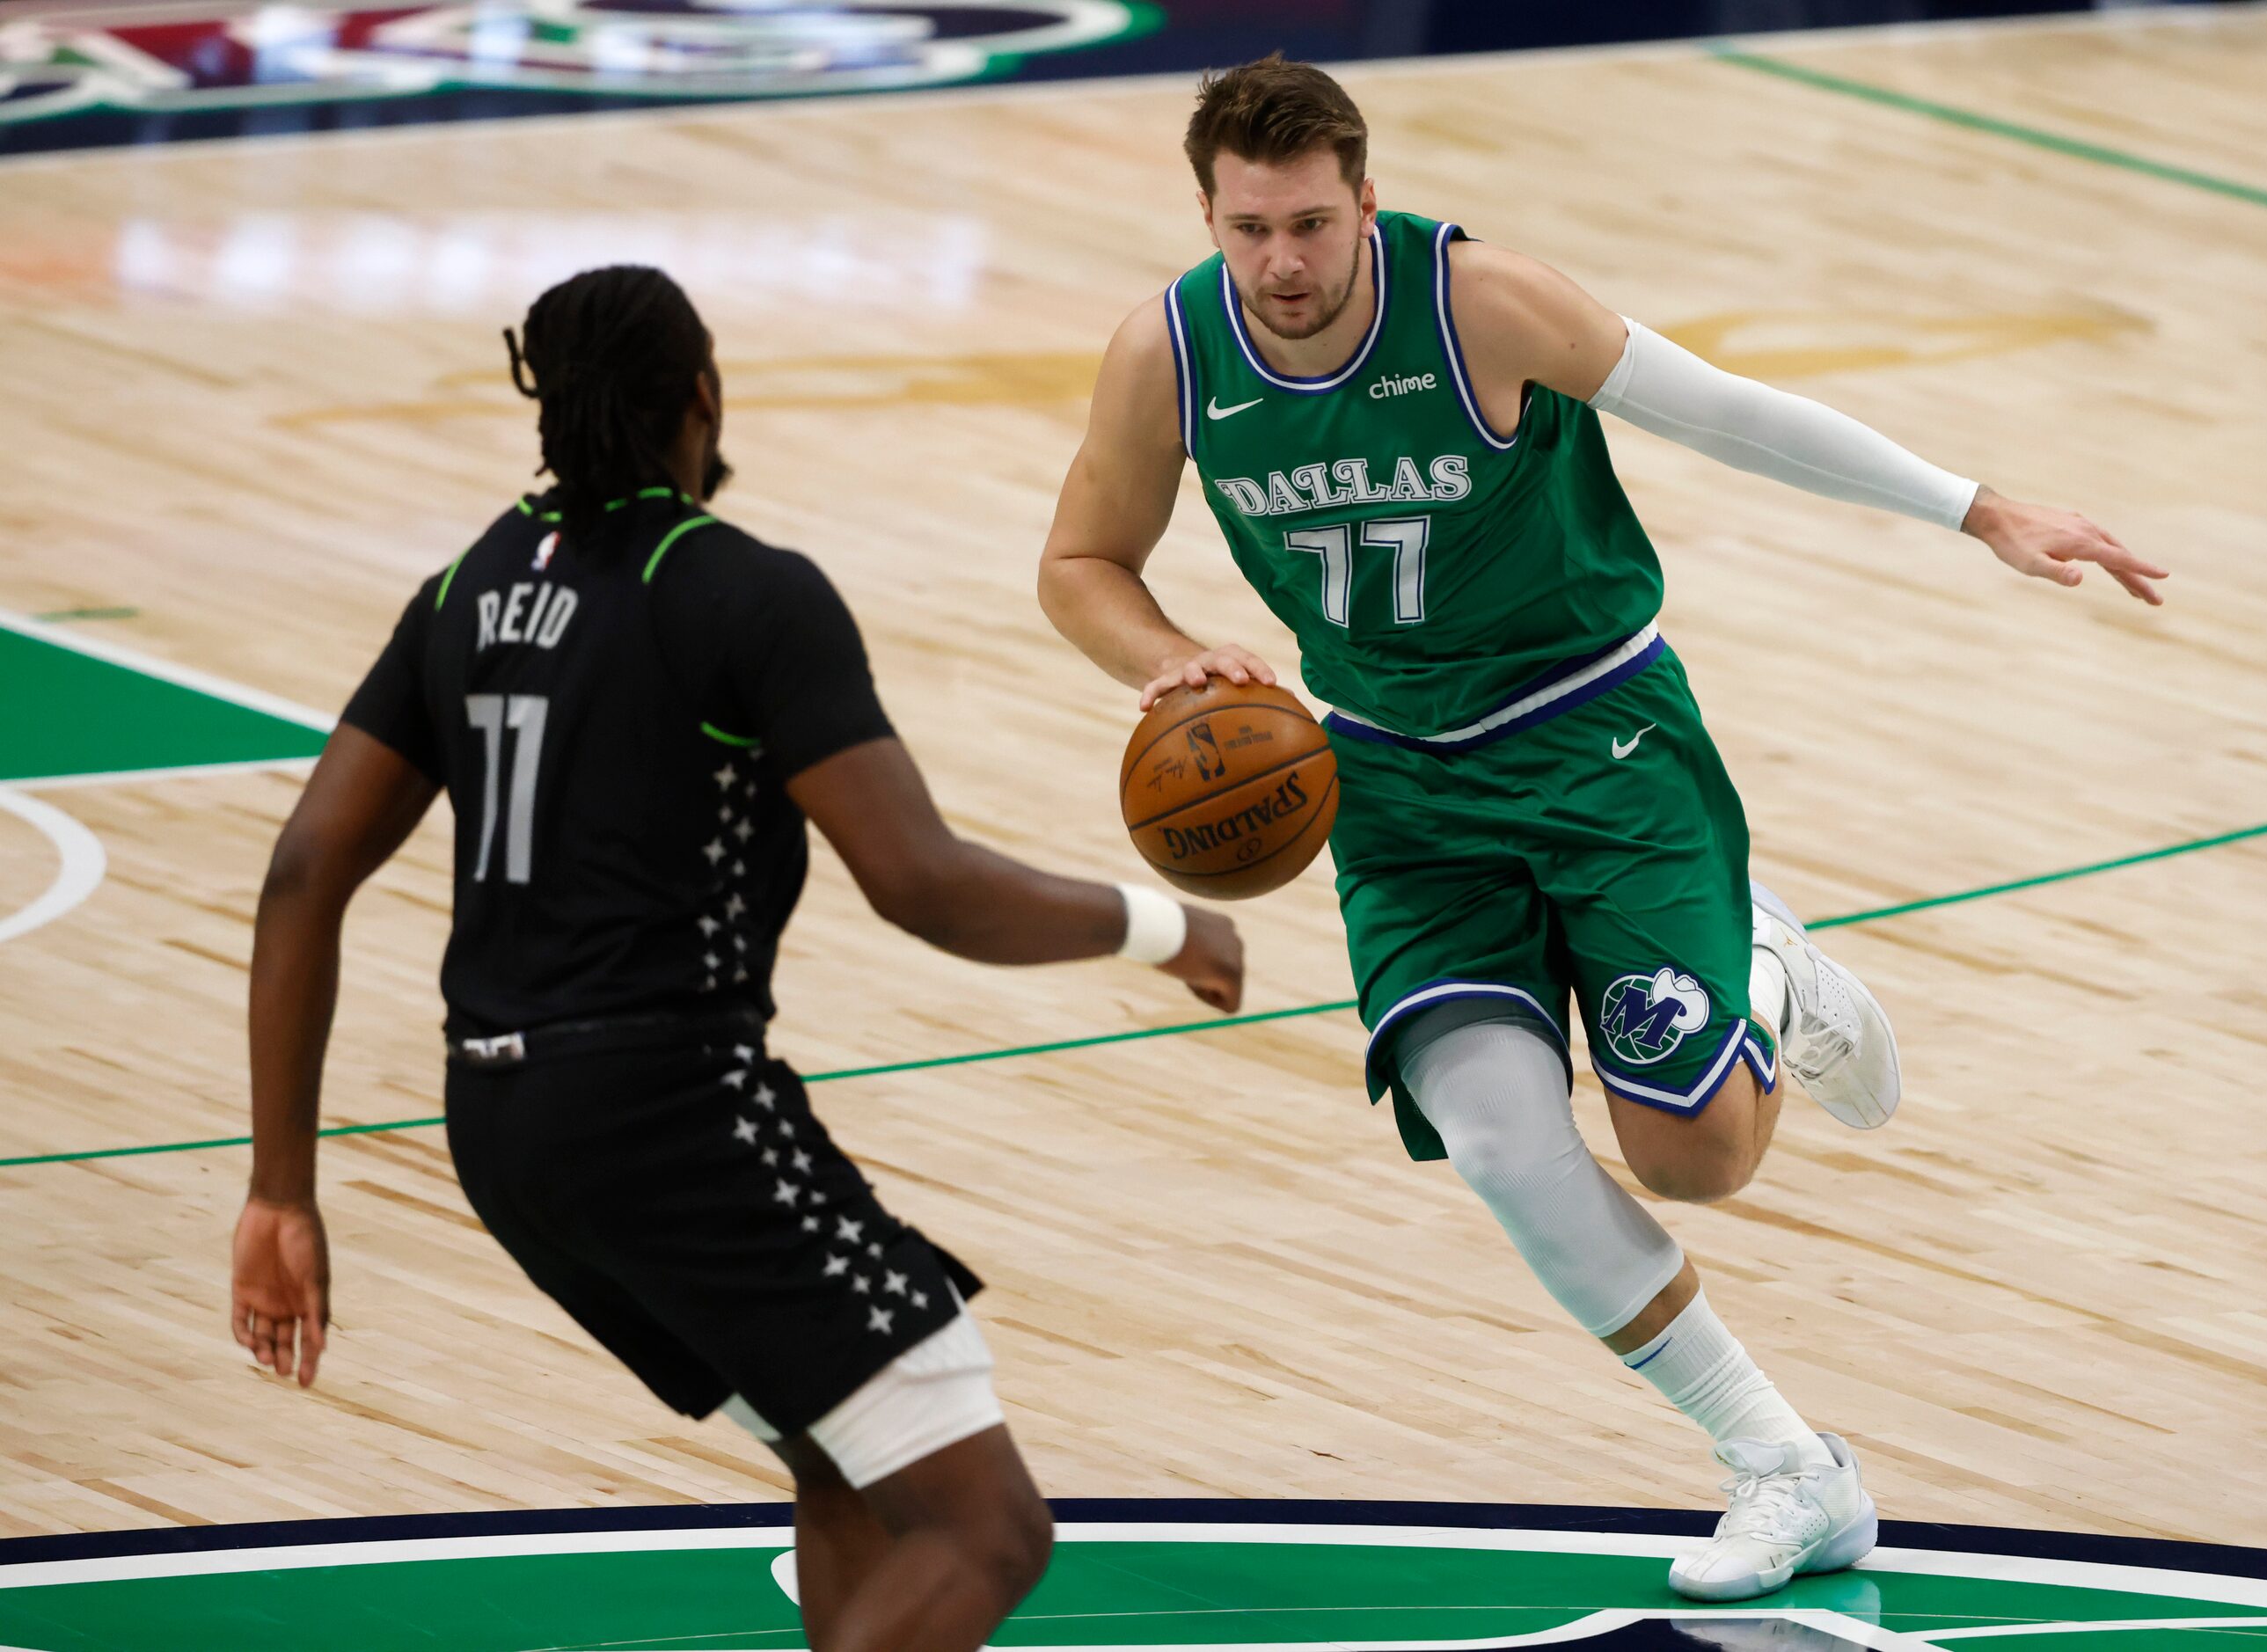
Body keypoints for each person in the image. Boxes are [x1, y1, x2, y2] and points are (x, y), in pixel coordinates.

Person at [1035, 55, 2164, 1602]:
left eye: (1308, 222)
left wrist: (1977, 508)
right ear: (1210, 218)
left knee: (1692, 1158)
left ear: (1366, 198)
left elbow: (1725, 413)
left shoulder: (1483, 303)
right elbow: (1083, 559)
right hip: (1395, 785)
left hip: (1598, 737)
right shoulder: (1166, 354)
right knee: (1502, 1140)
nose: (1281, 263)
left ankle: (1768, 970)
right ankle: (1786, 1466)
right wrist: (1162, 655)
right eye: (1249, 230)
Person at [230, 265, 1244, 1652]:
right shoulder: (741, 595)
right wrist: (1166, 923)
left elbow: (301, 872)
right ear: (702, 393)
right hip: (669, 1114)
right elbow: (923, 883)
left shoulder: (463, 588)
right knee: (987, 1524)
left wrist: (279, 1189)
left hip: (499, 1124)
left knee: (848, 1458)